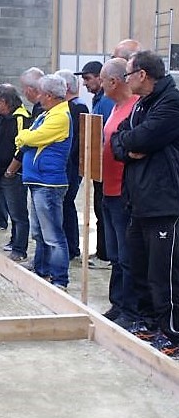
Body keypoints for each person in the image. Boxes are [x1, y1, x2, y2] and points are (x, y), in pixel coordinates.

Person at [111, 50, 179, 356]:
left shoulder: (171, 103)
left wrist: (131, 144)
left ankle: (173, 333)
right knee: (139, 268)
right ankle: (150, 322)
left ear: (142, 75)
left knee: (164, 273)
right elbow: (119, 141)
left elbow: (141, 139)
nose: (126, 80)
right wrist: (129, 146)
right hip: (138, 200)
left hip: (165, 202)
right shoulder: (142, 104)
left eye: (128, 73)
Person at [15, 74, 72, 291]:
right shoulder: (47, 114)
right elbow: (28, 139)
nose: (37, 97)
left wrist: (24, 137)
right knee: (39, 232)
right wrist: (25, 137)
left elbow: (29, 138)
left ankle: (59, 280)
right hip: (38, 181)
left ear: (48, 95)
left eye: (40, 93)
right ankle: (42, 270)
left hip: (49, 183)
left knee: (53, 235)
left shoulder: (61, 116)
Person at [99, 58, 141, 327]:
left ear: (114, 81)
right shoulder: (116, 108)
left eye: (102, 80)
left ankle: (131, 310)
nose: (100, 85)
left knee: (127, 256)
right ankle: (118, 302)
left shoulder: (135, 107)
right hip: (108, 188)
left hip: (125, 192)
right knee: (115, 254)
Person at [76, 61, 115, 268]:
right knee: (100, 210)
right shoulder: (100, 100)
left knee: (104, 211)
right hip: (99, 165)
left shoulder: (107, 101)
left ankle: (106, 255)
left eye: (88, 78)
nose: (85, 83)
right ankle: (103, 252)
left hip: (105, 166)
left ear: (101, 78)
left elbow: (107, 135)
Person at [0, 84, 31, 261]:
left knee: (18, 213)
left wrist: (11, 169)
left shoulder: (21, 118)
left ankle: (19, 248)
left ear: (5, 101)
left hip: (12, 173)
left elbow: (23, 145)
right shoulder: (2, 117)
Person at [54, 69, 87, 262]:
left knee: (66, 204)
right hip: (69, 164)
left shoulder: (76, 108)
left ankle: (71, 246)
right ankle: (71, 245)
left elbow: (76, 141)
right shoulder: (74, 107)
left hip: (70, 166)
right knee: (66, 205)